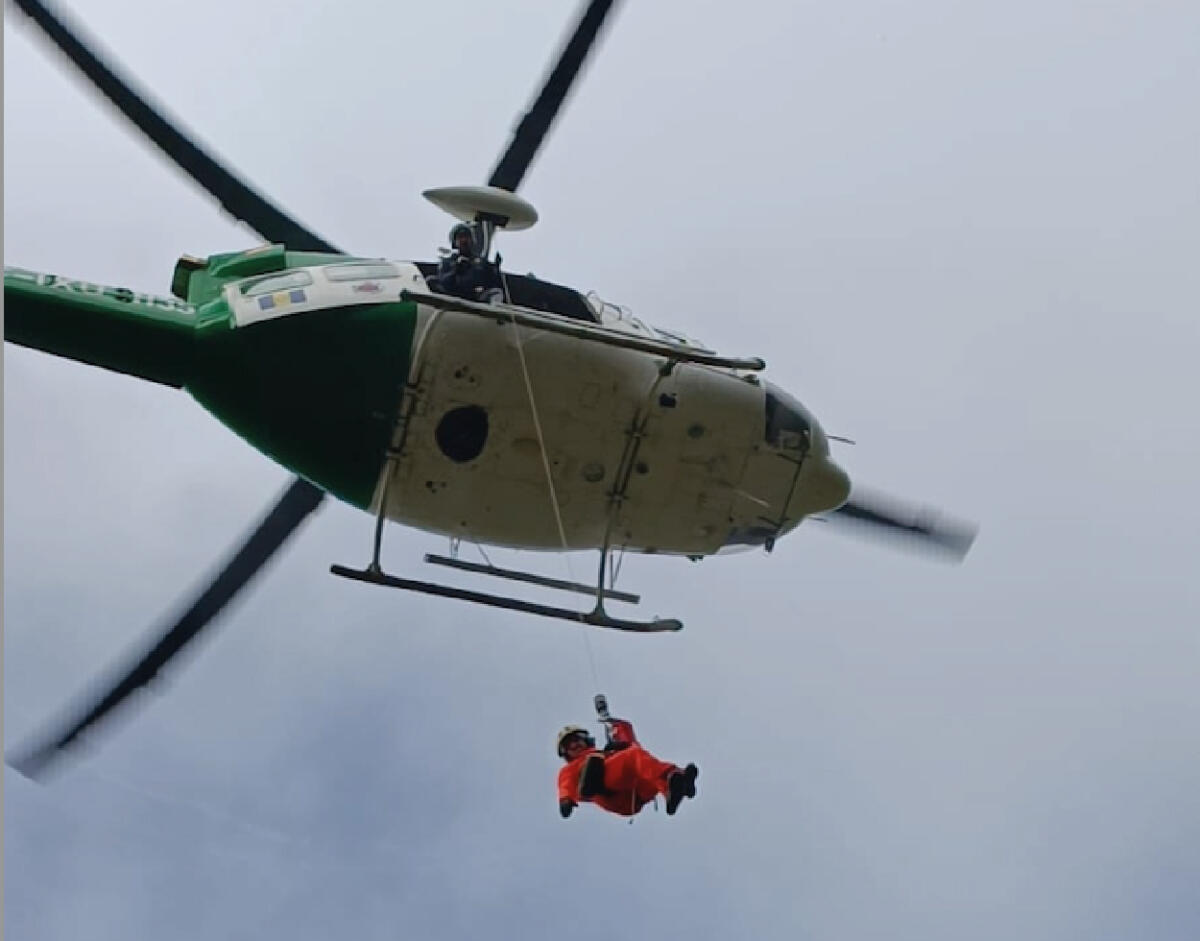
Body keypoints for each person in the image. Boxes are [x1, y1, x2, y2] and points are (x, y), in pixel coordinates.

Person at [556, 711, 698, 819]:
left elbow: (634, 748)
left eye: (576, 740)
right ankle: (670, 779)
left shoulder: (609, 753)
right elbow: (565, 785)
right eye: (568, 745)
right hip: (607, 791)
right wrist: (565, 800)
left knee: (645, 765)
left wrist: (619, 731)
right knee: (632, 755)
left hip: (635, 794)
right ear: (565, 753)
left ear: (586, 739)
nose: (574, 745)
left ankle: (674, 786)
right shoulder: (570, 769)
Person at [433, 222, 503, 302]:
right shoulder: (447, 261)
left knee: (497, 292)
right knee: (431, 281)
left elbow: (492, 283)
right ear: (454, 242)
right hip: (451, 299)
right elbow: (443, 281)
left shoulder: (482, 263)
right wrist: (455, 271)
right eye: (460, 237)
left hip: (476, 300)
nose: (464, 240)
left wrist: (496, 269)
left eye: (467, 237)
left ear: (472, 240)